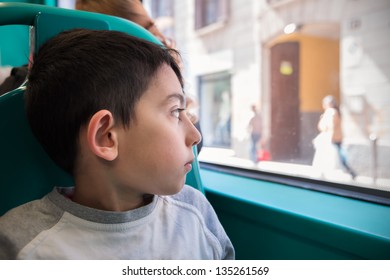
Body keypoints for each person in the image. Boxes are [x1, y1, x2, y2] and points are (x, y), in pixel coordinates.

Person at [0, 29, 234, 260]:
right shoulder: (19, 245)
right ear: (107, 137)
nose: (196, 135)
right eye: (175, 112)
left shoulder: (195, 213)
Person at [312, 95, 356, 179]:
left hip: (332, 138)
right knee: (338, 156)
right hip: (333, 138)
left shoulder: (331, 112)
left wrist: (330, 138)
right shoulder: (332, 112)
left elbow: (331, 126)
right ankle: (349, 171)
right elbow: (321, 127)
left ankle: (349, 171)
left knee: (337, 156)